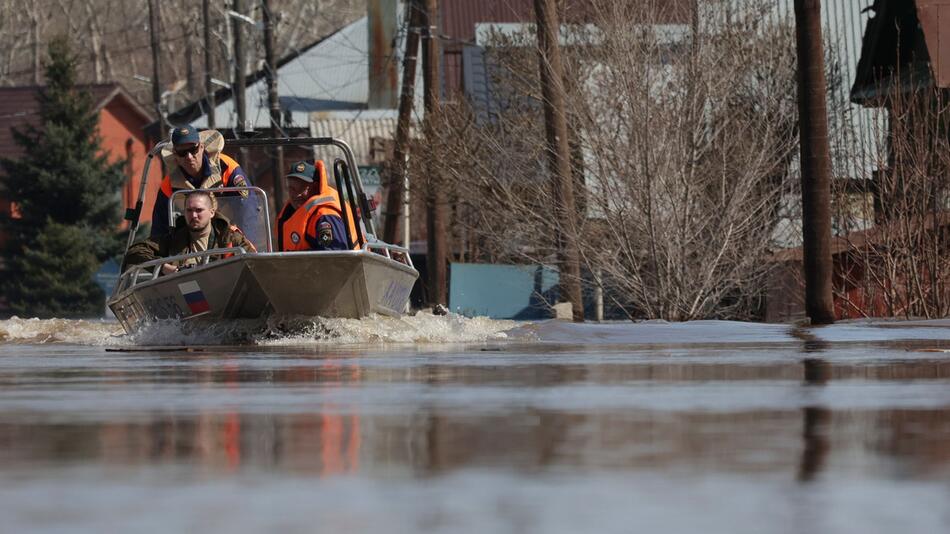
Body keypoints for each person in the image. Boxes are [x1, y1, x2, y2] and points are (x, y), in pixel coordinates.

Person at [150, 124, 250, 237]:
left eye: (193, 149)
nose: (189, 157)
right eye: (182, 152)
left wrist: (249, 249)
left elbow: (248, 211)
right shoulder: (168, 184)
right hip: (190, 246)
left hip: (229, 239)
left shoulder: (228, 168)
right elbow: (159, 228)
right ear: (175, 154)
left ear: (201, 147)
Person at [124, 190, 256, 274]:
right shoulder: (173, 239)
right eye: (189, 210)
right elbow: (135, 252)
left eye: (199, 210)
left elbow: (256, 264)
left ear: (211, 212)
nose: (193, 215)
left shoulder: (231, 238)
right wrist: (164, 267)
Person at [276, 160, 359, 251]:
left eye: (302, 188)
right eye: (292, 189)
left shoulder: (325, 215)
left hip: (354, 265)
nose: (296, 194)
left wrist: (296, 257)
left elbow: (336, 254)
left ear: (315, 188)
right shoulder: (291, 214)